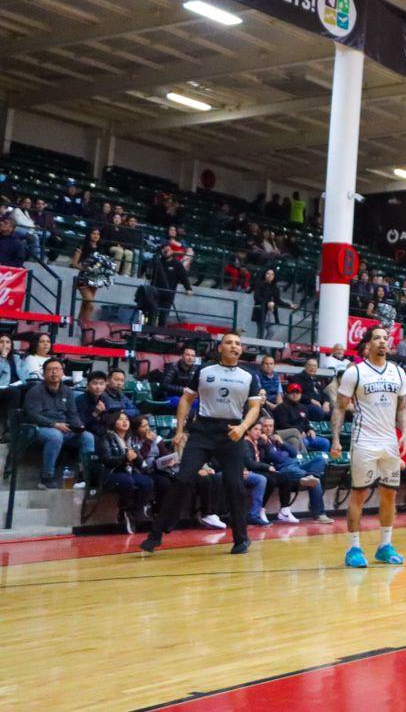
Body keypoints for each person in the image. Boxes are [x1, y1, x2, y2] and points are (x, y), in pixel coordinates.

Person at [140, 333, 264, 554]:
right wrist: (179, 430)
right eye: (229, 342)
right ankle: (157, 533)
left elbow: (255, 407)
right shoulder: (204, 371)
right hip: (203, 431)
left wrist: (243, 428)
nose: (234, 346)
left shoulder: (249, 376)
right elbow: (187, 399)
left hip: (232, 432)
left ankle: (241, 538)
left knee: (235, 485)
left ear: (241, 350)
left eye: (237, 343)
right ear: (220, 348)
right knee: (182, 478)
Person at [331, 327, 406, 568]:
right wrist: (335, 438)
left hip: (389, 442)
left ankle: (385, 546)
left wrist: (405, 433)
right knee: (359, 494)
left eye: (386, 338)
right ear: (368, 344)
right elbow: (340, 407)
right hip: (363, 440)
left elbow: (403, 408)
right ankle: (354, 548)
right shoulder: (355, 372)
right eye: (377, 338)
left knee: (389, 494)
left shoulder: (398, 372)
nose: (383, 342)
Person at [22, 358, 95, 488]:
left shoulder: (68, 391)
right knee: (55, 436)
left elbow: (72, 414)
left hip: (63, 429)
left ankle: (85, 476)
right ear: (44, 373)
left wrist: (78, 425)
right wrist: (54, 425)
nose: (54, 372)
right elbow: (33, 415)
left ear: (63, 373)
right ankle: (46, 477)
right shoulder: (35, 391)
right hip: (39, 429)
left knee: (87, 437)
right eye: (50, 369)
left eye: (57, 369)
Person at [70, 228, 115, 324]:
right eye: (93, 233)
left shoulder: (101, 248)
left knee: (86, 304)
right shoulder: (82, 246)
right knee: (90, 304)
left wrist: (101, 270)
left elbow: (103, 263)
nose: (96, 236)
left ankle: (79, 325)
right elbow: (74, 264)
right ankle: (86, 326)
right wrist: (87, 269)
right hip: (83, 278)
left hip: (95, 279)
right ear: (89, 234)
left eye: (98, 234)